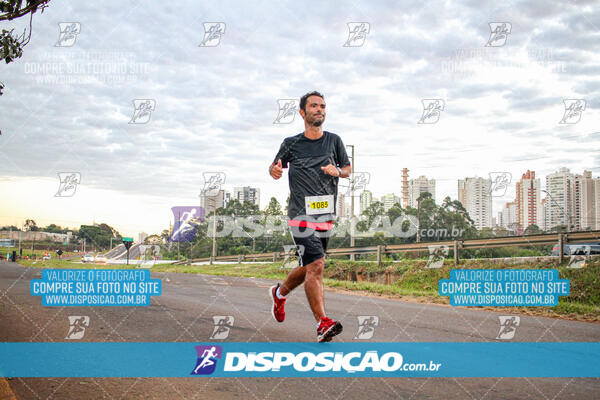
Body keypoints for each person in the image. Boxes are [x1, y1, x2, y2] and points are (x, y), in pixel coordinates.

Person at [268, 91, 351, 342]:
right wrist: (274, 170)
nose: (320, 109)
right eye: (314, 106)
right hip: (300, 214)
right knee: (316, 265)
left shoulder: (334, 141)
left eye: (323, 106)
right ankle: (322, 323)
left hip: (325, 214)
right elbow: (275, 167)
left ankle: (280, 294)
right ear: (303, 113)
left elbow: (347, 170)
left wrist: (336, 170)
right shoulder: (291, 143)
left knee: (308, 266)